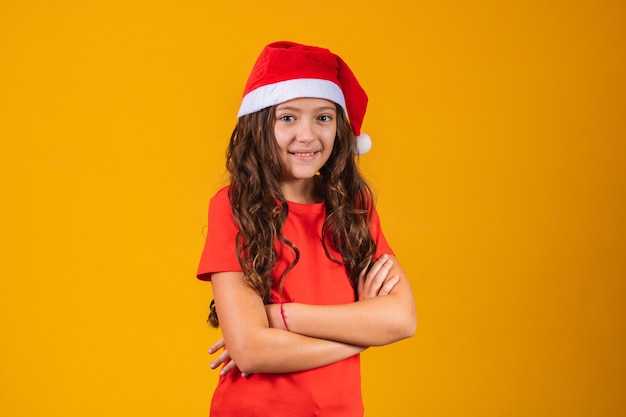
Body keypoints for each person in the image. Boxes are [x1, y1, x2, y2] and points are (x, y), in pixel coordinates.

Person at [196, 41, 416, 417]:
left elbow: (400, 320)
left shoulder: (354, 207)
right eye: (288, 117)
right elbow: (250, 350)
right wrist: (359, 335)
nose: (308, 135)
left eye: (324, 117)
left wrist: (283, 317)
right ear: (260, 124)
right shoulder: (233, 206)